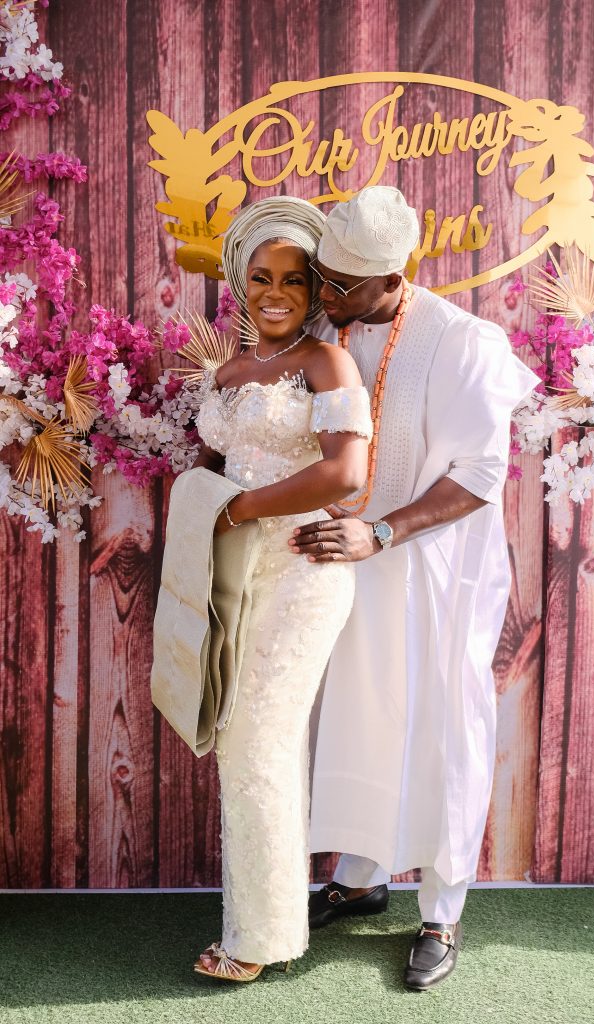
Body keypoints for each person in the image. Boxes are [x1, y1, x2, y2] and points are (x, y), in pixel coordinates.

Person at [291, 186, 539, 991]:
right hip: (352, 564)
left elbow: (480, 473)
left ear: (392, 279)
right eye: (321, 279)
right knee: (359, 711)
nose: (324, 297)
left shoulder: (465, 342)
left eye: (340, 286)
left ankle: (441, 911)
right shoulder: (330, 331)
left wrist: (383, 532)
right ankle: (359, 879)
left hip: (436, 571)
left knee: (443, 726)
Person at [190, 196, 372, 982]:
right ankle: (264, 918)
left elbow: (345, 472)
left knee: (256, 741)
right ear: (240, 281)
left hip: (301, 567)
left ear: (314, 289)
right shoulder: (227, 372)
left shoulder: (327, 363)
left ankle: (257, 941)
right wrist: (202, 522)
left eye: (293, 280)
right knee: (239, 737)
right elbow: (216, 467)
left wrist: (241, 509)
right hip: (233, 573)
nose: (275, 292)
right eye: (261, 276)